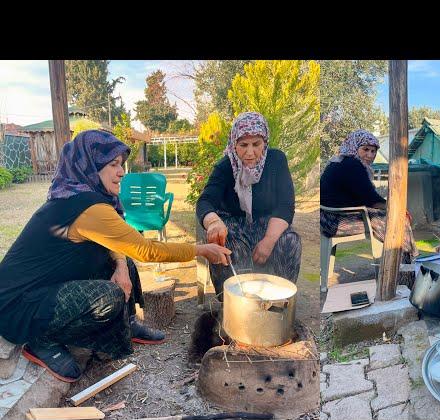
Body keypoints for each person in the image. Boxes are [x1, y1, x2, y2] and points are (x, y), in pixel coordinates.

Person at [0, 130, 232, 382]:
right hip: (18, 306)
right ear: (90, 166)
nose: (121, 172)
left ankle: (125, 323)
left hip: (45, 287)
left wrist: (121, 265)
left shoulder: (81, 196)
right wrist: (200, 250)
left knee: (123, 262)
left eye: (121, 164)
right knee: (108, 297)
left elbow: (120, 242)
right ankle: (41, 341)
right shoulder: (87, 208)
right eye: (113, 165)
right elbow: (145, 249)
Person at [196, 112, 301, 297]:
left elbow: (286, 205)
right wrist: (213, 223)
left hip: (268, 223)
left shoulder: (276, 160)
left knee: (289, 241)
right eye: (243, 145)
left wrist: (268, 241)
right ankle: (232, 303)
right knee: (227, 245)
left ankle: (278, 301)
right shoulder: (225, 166)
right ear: (234, 144)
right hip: (233, 223)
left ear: (265, 143)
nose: (250, 152)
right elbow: (205, 201)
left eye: (256, 144)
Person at [320, 129, 418, 263]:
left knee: (392, 217)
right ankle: (404, 267)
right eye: (365, 149)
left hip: (326, 218)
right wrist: (398, 210)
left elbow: (364, 197)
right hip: (336, 221)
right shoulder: (352, 165)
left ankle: (402, 262)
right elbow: (372, 200)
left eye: (373, 151)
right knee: (398, 221)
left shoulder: (338, 162)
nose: (370, 155)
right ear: (354, 147)